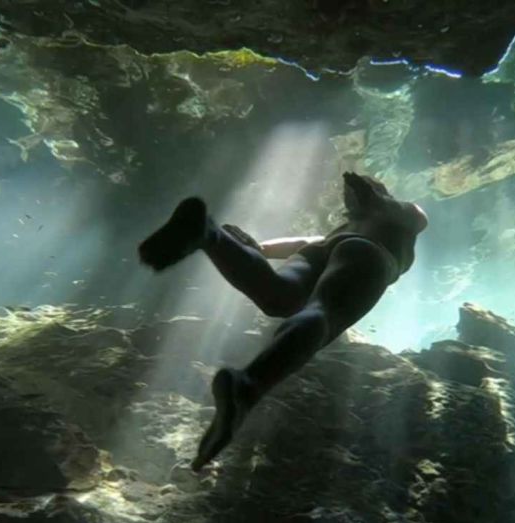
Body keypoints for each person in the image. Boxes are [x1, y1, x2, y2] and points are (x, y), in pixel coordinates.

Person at [138, 172, 428, 471]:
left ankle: (210, 235)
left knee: (278, 297)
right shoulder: (392, 224)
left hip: (319, 252)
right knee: (324, 313)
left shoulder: (367, 222)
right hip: (368, 251)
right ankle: (248, 385)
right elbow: (418, 218)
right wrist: (379, 201)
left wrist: (258, 250)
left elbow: (303, 242)